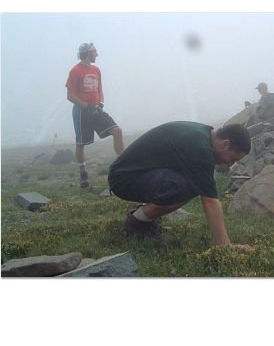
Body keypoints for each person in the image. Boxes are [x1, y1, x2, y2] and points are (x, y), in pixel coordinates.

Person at [108, 121, 251, 249]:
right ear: (225, 144)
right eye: (232, 158)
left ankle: (144, 219)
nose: (230, 164)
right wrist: (225, 246)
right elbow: (210, 201)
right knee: (186, 186)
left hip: (131, 174)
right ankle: (136, 223)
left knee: (191, 183)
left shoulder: (204, 134)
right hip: (123, 179)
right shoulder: (200, 147)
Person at [66, 43, 124, 188]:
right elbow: (70, 96)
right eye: (94, 52)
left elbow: (100, 90)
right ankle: (83, 173)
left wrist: (101, 104)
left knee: (117, 131)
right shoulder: (75, 71)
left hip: (97, 110)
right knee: (81, 143)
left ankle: (122, 166)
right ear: (87, 53)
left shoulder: (96, 70)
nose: (97, 55)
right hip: (82, 112)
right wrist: (87, 106)